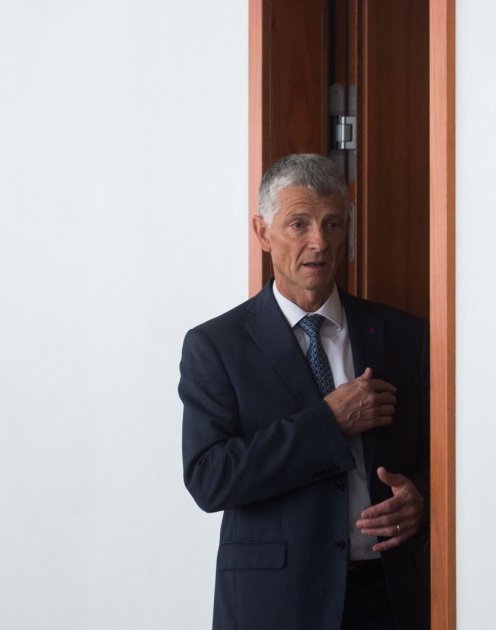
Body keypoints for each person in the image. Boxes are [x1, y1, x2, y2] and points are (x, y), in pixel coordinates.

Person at [179, 154, 430, 630]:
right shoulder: (216, 346)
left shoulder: (404, 336)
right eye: (299, 224)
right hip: (275, 604)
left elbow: (447, 458)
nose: (319, 242)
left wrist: (424, 498)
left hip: (389, 599)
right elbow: (209, 478)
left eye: (332, 224)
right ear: (262, 232)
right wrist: (328, 423)